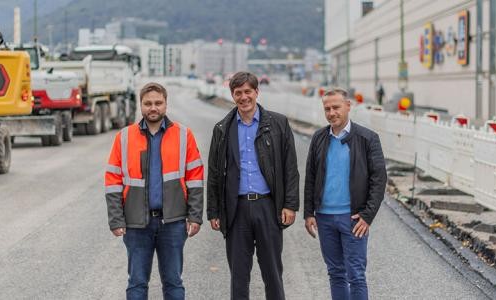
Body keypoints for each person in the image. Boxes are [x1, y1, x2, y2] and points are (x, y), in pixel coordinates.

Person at [104, 82, 204, 300]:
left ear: (166, 104)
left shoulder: (184, 135)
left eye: (158, 103)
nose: (153, 108)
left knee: (173, 283)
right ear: (141, 105)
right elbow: (112, 181)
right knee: (137, 284)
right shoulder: (124, 137)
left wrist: (195, 216)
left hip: (173, 222)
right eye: (148, 103)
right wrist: (116, 219)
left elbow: (195, 178)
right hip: (136, 223)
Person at [207, 71, 300, 300]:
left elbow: (290, 167)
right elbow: (215, 174)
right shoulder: (222, 129)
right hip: (236, 210)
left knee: (272, 273)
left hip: (268, 206)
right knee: (239, 276)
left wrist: (290, 205)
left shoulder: (278, 123)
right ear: (232, 95)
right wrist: (214, 211)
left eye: (248, 91)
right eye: (238, 93)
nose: (243, 97)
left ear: (257, 92)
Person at [303, 88, 387, 300]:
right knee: (335, 274)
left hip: (353, 218)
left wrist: (367, 216)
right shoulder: (319, 138)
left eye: (336, 107)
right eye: (327, 108)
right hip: (324, 217)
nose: (331, 112)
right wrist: (308, 213)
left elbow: (379, 179)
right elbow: (311, 177)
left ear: (348, 106)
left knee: (356, 275)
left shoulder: (368, 138)